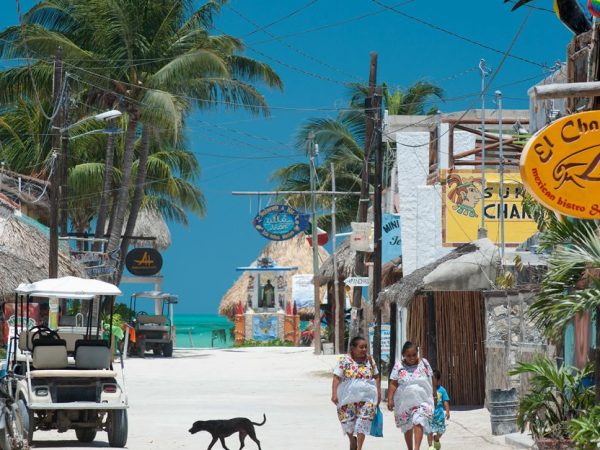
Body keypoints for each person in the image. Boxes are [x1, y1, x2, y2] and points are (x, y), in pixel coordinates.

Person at [332, 336, 381, 450]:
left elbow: (376, 376)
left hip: (367, 397)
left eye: (365, 347)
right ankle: (352, 441)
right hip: (347, 397)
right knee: (347, 422)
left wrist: (378, 392)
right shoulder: (344, 360)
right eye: (361, 347)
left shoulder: (369, 360)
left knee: (363, 422)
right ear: (352, 348)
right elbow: (336, 377)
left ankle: (359, 447)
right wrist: (334, 393)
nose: (364, 349)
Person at [388, 341, 434, 450]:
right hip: (404, 402)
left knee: (419, 420)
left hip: (422, 400)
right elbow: (393, 383)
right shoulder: (398, 366)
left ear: (417, 353)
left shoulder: (424, 363)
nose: (412, 358)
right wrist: (390, 399)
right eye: (408, 355)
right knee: (407, 425)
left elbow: (431, 378)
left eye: (414, 354)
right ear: (403, 355)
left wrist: (435, 395)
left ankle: (416, 448)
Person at [427, 369, 450, 450]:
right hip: (429, 414)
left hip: (439, 415)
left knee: (441, 430)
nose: (432, 381)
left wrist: (447, 411)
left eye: (433, 379)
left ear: (438, 380)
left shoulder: (442, 390)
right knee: (429, 431)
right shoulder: (428, 390)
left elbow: (445, 401)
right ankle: (430, 446)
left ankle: (436, 439)